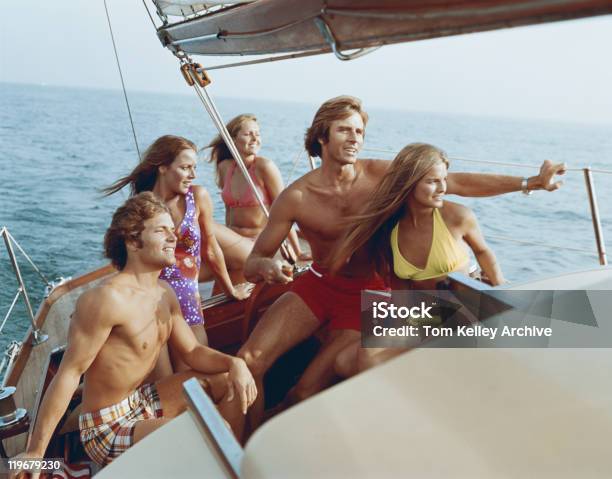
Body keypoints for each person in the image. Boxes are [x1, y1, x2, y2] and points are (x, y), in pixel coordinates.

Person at [237, 95, 566, 428]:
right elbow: (254, 263)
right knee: (248, 361)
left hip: (370, 292)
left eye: (360, 131)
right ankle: (242, 448)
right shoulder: (296, 196)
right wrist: (269, 266)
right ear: (322, 136)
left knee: (304, 393)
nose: (355, 138)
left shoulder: (381, 174)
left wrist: (531, 183)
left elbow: (457, 182)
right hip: (318, 285)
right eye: (344, 130)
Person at [12, 193, 256, 474]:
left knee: (230, 382)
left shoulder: (164, 293)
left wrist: (234, 363)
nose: (173, 237)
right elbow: (69, 373)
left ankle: (223, 470)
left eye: (172, 230)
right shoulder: (106, 299)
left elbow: (192, 352)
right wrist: (36, 451)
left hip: (141, 402)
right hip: (106, 427)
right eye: (160, 230)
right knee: (213, 434)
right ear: (132, 241)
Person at [330, 142, 505, 376]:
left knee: (370, 354)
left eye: (444, 179)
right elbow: (401, 291)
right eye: (432, 181)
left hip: (461, 306)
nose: (442, 188)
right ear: (408, 183)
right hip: (426, 311)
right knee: (343, 362)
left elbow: (483, 252)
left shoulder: (457, 216)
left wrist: (501, 290)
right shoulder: (390, 230)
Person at [104, 135, 251, 370]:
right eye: (185, 168)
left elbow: (211, 249)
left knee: (192, 374)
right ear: (162, 167)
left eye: (194, 167)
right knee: (164, 382)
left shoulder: (198, 196)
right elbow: (130, 260)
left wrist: (230, 290)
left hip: (187, 299)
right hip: (152, 302)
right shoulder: (142, 205)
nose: (192, 175)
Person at [206, 114, 310, 270]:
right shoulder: (225, 167)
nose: (255, 138)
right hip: (233, 241)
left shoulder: (265, 167)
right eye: (248, 134)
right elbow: (229, 210)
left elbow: (285, 210)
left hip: (257, 244)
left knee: (204, 225)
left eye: (258, 134)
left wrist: (297, 252)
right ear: (233, 140)